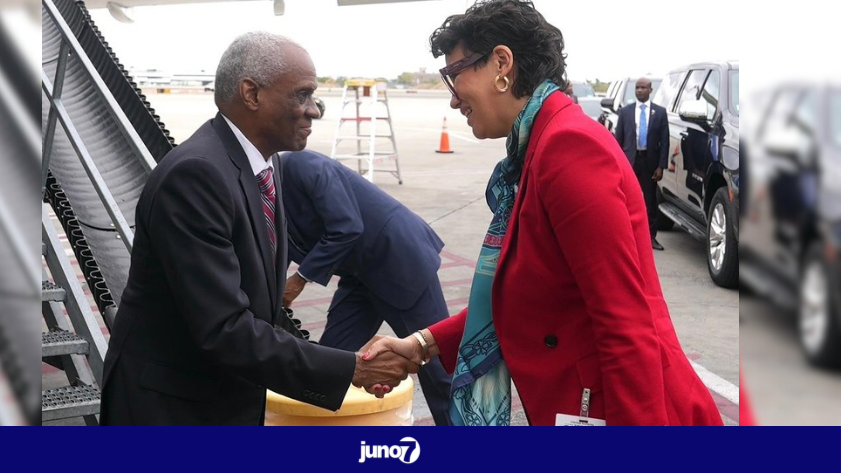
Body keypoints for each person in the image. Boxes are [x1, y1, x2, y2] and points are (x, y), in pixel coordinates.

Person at [363, 0, 723, 426]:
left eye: (454, 74)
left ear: (502, 64)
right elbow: (521, 297)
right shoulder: (535, 149)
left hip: (624, 412)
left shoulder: (569, 148)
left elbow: (624, 324)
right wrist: (422, 345)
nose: (454, 98)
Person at [99, 32, 414, 426]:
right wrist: (351, 369)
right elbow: (225, 329)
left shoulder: (265, 164)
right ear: (251, 94)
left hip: (225, 398)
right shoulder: (196, 176)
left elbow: (257, 306)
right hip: (172, 408)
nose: (314, 110)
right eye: (302, 94)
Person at [278, 149, 453, 426]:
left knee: (439, 373)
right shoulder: (262, 194)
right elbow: (277, 246)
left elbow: (346, 227)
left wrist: (298, 280)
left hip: (399, 260)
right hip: (360, 275)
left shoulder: (302, 165)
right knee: (331, 363)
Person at [614, 77, 670, 251]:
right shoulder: (625, 112)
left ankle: (650, 237)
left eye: (643, 87)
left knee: (649, 200)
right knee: (626, 199)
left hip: (649, 162)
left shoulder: (660, 113)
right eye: (637, 87)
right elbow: (618, 140)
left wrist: (661, 166)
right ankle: (627, 236)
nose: (639, 90)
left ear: (650, 90)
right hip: (630, 161)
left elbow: (665, 141)